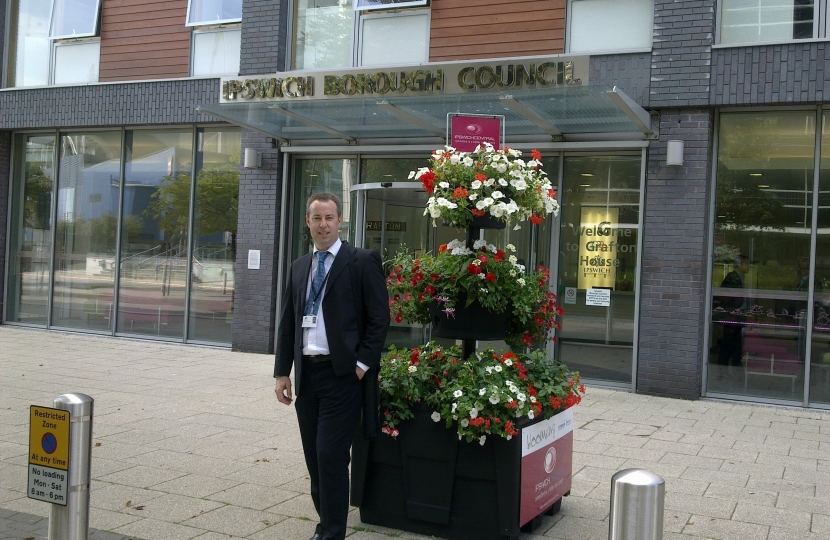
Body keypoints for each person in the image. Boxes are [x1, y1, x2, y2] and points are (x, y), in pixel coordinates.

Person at [274, 192, 390, 540]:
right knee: (315, 458)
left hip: (343, 375)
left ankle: (331, 532)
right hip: (308, 375)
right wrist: (282, 372)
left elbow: (379, 319)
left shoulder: (361, 261)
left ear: (340, 221)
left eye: (329, 218)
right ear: (307, 222)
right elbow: (288, 323)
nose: (323, 225)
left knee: (330, 455)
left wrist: (361, 365)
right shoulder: (299, 267)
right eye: (316, 218)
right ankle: (326, 523)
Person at [717, 255, 749, 370]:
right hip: (733, 316)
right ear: (739, 264)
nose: (748, 266)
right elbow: (725, 296)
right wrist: (733, 310)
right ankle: (722, 369)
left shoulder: (740, 277)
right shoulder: (732, 277)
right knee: (729, 343)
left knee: (736, 343)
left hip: (738, 315)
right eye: (746, 264)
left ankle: (735, 368)